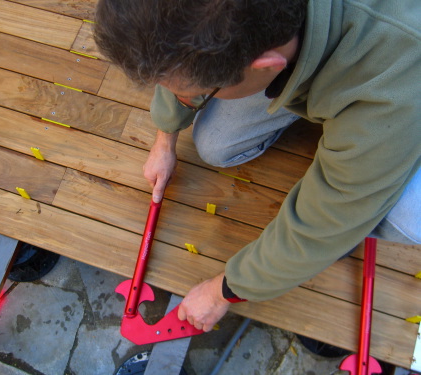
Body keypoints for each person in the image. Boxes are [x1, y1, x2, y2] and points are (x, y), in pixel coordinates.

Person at [94, 0, 421, 332]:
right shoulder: (231, 29)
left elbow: (328, 221)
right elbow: (178, 36)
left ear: (266, 64)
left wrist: (224, 291)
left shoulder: (390, 83)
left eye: (198, 95)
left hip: (402, 81)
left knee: (400, 214)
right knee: (216, 143)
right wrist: (165, 136)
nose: (191, 98)